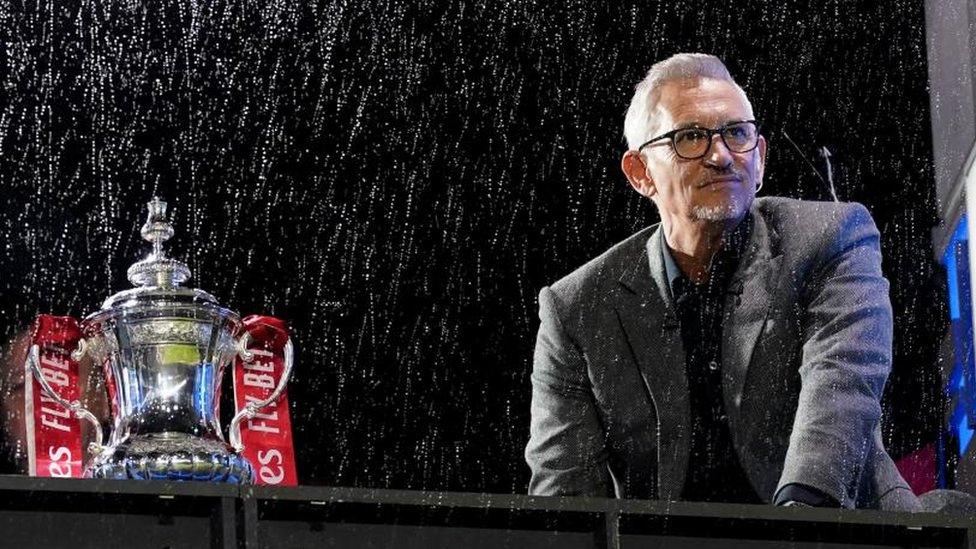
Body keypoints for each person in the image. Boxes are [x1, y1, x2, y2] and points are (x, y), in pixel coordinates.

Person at [524, 53, 920, 510]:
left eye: (737, 133)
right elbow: (566, 496)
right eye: (690, 137)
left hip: (835, 530)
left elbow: (842, 384)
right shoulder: (576, 307)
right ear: (640, 173)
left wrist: (800, 524)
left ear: (761, 158)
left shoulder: (830, 237)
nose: (720, 156)